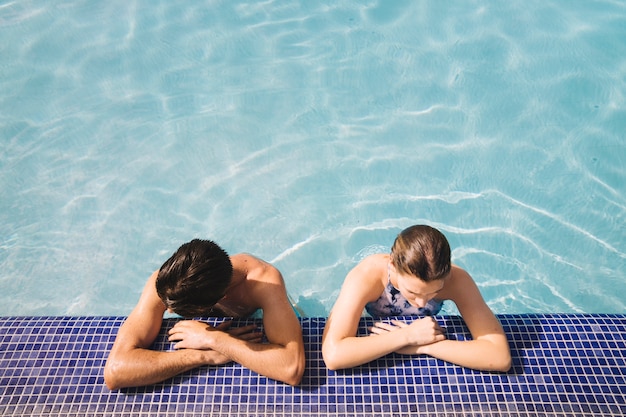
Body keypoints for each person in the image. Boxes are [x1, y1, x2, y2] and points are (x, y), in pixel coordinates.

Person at [104, 239, 305, 389]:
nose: (170, 311)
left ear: (223, 297)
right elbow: (115, 372)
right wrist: (200, 355)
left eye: (179, 310)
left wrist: (213, 338)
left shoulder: (263, 282)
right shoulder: (170, 283)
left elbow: (291, 368)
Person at [322, 225, 511, 372]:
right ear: (393, 265)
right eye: (412, 292)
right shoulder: (367, 276)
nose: (421, 303)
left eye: (433, 292)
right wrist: (406, 336)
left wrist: (424, 347)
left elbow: (499, 356)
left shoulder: (457, 281)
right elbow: (334, 354)